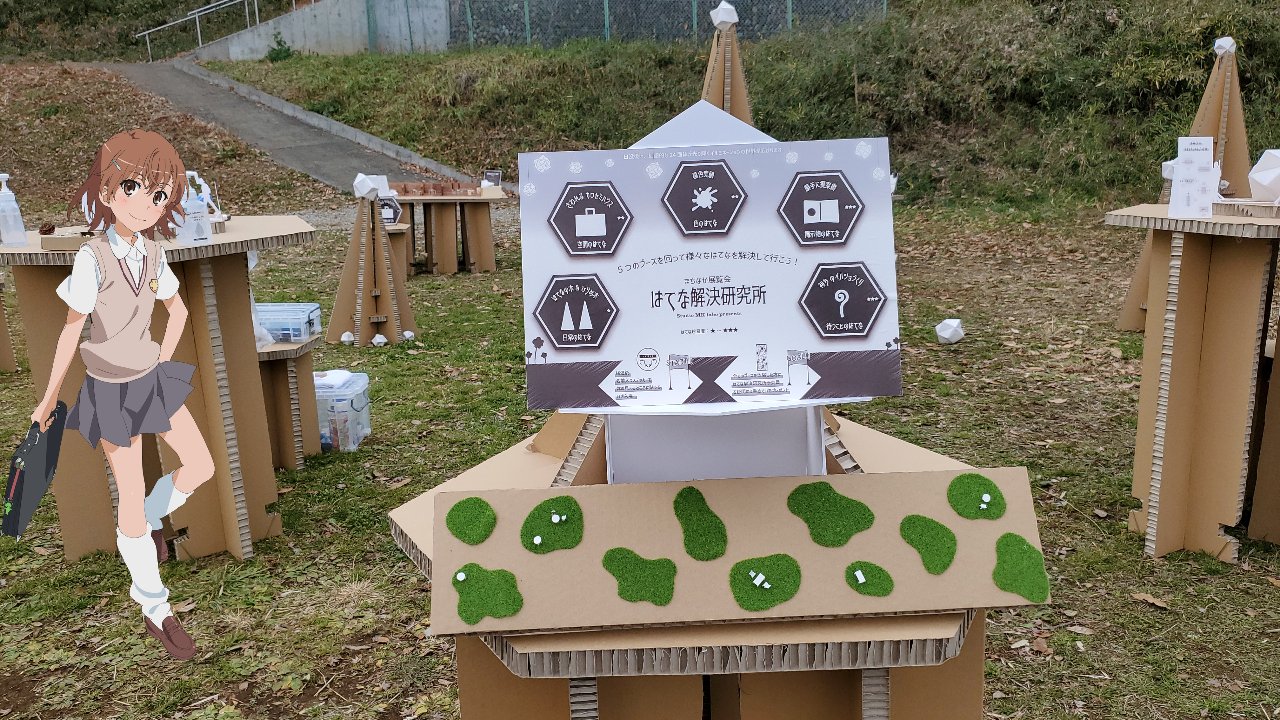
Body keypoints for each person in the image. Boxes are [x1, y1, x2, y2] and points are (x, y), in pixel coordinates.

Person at [29, 129, 215, 660]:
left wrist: (163, 358)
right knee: (128, 494)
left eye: (158, 195)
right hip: (110, 390)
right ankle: (155, 606)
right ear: (107, 192)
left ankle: (155, 518)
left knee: (200, 465)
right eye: (131, 187)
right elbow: (72, 329)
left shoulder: (154, 254)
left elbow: (177, 310)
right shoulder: (91, 259)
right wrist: (48, 398)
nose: (144, 204)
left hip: (151, 379)